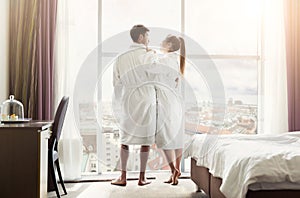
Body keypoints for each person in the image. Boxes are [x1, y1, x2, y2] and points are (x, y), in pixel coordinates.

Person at [111, 25, 156, 186]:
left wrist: (117, 105)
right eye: (148, 37)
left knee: (125, 139)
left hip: (128, 100)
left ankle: (123, 177)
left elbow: (116, 83)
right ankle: (141, 177)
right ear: (141, 37)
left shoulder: (121, 56)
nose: (149, 41)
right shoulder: (148, 55)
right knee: (146, 139)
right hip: (146, 99)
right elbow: (155, 76)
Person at [147, 35, 186, 185]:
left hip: (167, 104)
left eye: (162, 41)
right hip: (175, 104)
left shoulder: (165, 60)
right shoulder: (174, 60)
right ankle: (175, 171)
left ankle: (173, 170)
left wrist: (150, 53)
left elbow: (151, 69)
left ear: (169, 45)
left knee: (164, 138)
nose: (160, 43)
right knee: (176, 138)